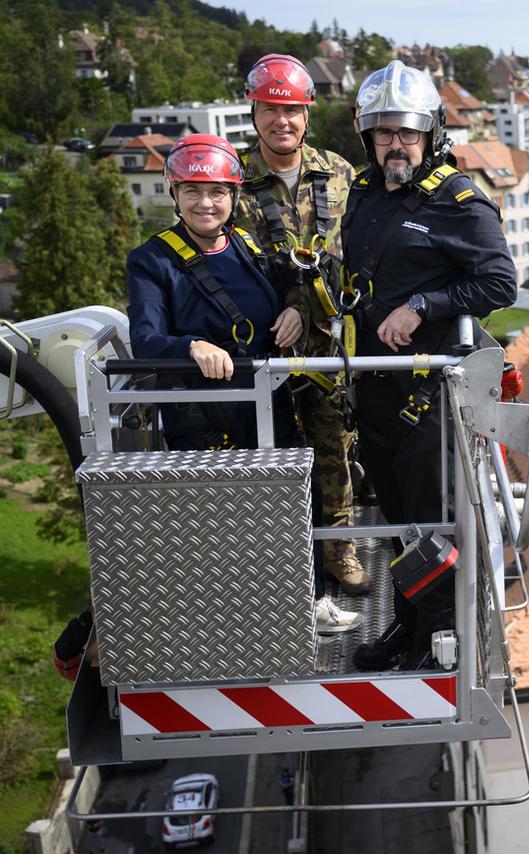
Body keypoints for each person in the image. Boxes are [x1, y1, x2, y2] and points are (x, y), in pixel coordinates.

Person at [126, 134, 362, 636]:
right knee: (223, 525)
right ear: (174, 194)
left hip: (267, 400)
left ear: (234, 196)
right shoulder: (153, 261)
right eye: (193, 191)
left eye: (217, 192)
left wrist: (294, 312)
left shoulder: (246, 245)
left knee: (293, 504)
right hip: (204, 414)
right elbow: (145, 338)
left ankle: (311, 600)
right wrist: (190, 347)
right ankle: (235, 619)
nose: (206, 203)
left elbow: (282, 294)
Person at [341, 61, 517, 670]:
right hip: (372, 391)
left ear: (430, 135)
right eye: (385, 132)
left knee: (430, 523)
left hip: (426, 398)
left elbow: (500, 284)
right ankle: (412, 625)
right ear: (368, 137)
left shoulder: (458, 201)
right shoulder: (362, 196)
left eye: (407, 132)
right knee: (395, 520)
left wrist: (424, 305)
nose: (396, 143)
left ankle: (442, 637)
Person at [236, 54, 369, 596]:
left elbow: (355, 249)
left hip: (329, 342)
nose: (281, 121)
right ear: (254, 112)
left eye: (291, 110)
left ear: (307, 115)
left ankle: (340, 551)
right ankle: (278, 563)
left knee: (334, 448)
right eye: (271, 109)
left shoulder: (338, 172)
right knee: (269, 454)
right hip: (265, 342)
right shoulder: (236, 181)